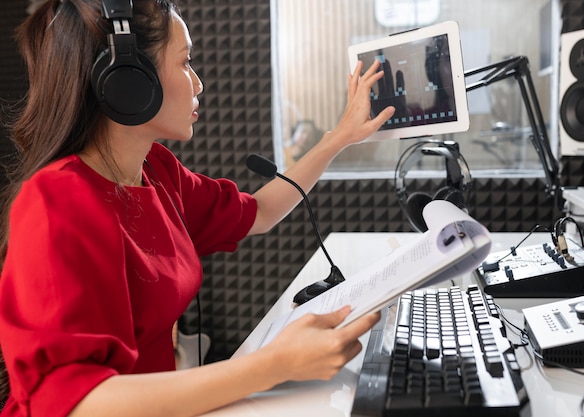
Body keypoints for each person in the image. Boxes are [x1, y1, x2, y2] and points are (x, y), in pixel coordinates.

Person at [0, 0, 396, 416]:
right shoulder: (56, 202)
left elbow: (258, 212)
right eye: (185, 62)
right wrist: (273, 365)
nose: (198, 83)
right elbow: (73, 403)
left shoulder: (157, 171)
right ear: (128, 81)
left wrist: (339, 138)